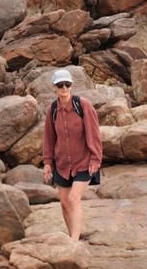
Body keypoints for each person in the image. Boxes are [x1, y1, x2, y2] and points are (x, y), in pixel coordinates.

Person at [42, 69, 103, 241]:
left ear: (71, 86)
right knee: (64, 203)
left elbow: (94, 134)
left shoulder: (83, 106)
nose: (64, 88)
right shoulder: (52, 110)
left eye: (67, 84)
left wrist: (95, 159)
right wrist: (47, 163)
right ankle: (71, 237)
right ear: (54, 87)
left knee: (74, 198)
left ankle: (74, 242)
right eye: (60, 85)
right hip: (62, 165)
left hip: (84, 162)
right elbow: (49, 137)